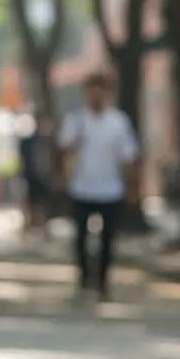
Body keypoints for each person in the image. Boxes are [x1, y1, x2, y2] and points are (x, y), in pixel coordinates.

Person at [57, 71, 139, 300]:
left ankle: (102, 281)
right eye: (92, 90)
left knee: (108, 239)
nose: (96, 95)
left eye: (101, 90)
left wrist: (133, 187)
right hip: (81, 188)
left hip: (111, 190)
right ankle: (85, 278)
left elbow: (128, 157)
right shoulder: (76, 121)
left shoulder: (119, 123)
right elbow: (64, 152)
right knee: (81, 238)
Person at [19, 112, 56, 231]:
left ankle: (43, 225)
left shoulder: (51, 142)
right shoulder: (28, 142)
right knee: (32, 201)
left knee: (44, 202)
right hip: (32, 177)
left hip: (46, 178)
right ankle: (30, 224)